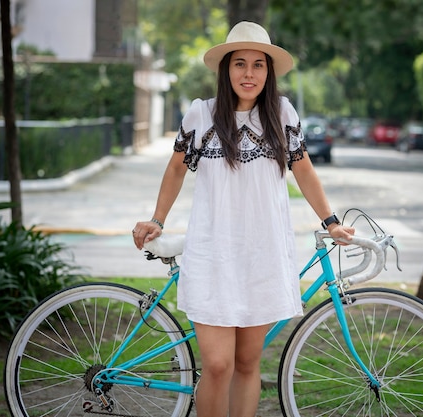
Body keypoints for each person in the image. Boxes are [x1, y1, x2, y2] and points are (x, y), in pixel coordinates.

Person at [132, 21, 355, 417]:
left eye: (258, 65)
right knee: (219, 366)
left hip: (262, 255)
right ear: (226, 70)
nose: (248, 73)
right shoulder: (202, 114)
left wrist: (330, 221)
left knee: (248, 364)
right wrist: (157, 219)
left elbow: (303, 170)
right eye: (239, 64)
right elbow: (175, 170)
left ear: (268, 72)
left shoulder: (282, 114)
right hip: (213, 254)